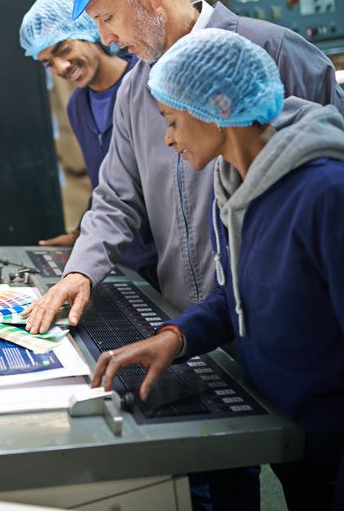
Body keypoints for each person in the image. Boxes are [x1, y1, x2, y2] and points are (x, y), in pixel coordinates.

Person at [23, 0, 344, 335]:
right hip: (189, 325)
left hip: (295, 331)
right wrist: (79, 272)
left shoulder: (274, 51)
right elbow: (116, 197)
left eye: (107, 18)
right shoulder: (135, 90)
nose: (105, 39)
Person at [92, 28, 344, 511]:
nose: (167, 139)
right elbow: (238, 298)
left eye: (171, 121)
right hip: (289, 438)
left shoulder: (324, 193)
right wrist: (174, 337)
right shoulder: (234, 186)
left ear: (220, 108)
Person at [19, 0, 158, 281]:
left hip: (164, 253)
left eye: (63, 50)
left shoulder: (147, 84)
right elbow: (103, 181)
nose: (60, 67)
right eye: (48, 63)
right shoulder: (77, 106)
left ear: (88, 32)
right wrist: (83, 233)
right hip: (121, 257)